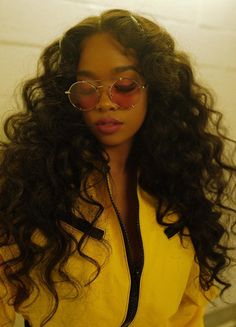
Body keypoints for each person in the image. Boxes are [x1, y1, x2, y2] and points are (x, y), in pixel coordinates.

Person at [0, 8, 235, 327]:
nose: (105, 102)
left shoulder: (178, 181)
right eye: (86, 88)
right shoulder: (29, 183)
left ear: (157, 89)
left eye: (124, 86)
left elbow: (189, 308)